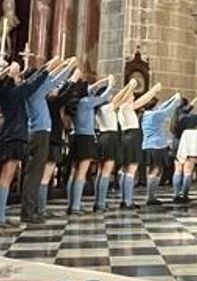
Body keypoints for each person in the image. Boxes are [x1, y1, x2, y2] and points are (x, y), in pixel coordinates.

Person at [21, 55, 77, 223]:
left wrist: (59, 66)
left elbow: (51, 79)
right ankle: (29, 211)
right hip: (40, 133)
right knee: (34, 174)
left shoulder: (31, 89)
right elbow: (53, 80)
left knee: (36, 174)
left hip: (38, 132)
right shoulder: (35, 89)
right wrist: (68, 68)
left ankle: (32, 210)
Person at [65, 74, 114, 214]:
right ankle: (75, 206)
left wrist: (100, 81)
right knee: (81, 173)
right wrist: (110, 84)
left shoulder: (74, 102)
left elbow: (90, 89)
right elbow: (103, 98)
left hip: (75, 137)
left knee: (73, 172)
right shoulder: (86, 102)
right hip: (86, 138)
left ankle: (71, 204)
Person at [116, 79, 160, 210]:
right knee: (131, 170)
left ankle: (124, 199)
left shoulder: (121, 108)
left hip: (125, 137)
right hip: (133, 137)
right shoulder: (127, 107)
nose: (133, 97)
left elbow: (141, 101)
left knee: (125, 170)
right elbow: (143, 100)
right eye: (131, 95)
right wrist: (154, 90)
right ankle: (128, 201)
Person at [139, 92, 184, 206]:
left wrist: (172, 98)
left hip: (147, 145)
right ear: (154, 106)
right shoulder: (156, 115)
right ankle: (151, 197)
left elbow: (162, 106)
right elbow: (167, 109)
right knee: (156, 170)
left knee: (153, 170)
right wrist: (175, 100)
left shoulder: (146, 114)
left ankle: (151, 195)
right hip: (157, 145)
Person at [93, 80, 123, 212]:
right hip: (110, 138)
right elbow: (120, 98)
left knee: (100, 171)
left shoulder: (99, 108)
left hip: (102, 137)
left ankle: (98, 201)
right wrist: (129, 86)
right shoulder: (106, 107)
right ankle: (101, 203)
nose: (110, 97)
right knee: (106, 172)